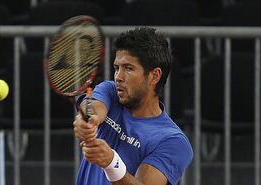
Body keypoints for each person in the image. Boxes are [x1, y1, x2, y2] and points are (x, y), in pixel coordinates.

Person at [73, 27, 193, 185]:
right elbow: (91, 103)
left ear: (154, 76)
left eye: (128, 68)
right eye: (117, 68)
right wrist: (88, 118)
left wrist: (112, 163)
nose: (118, 77)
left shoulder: (173, 142)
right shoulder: (110, 91)